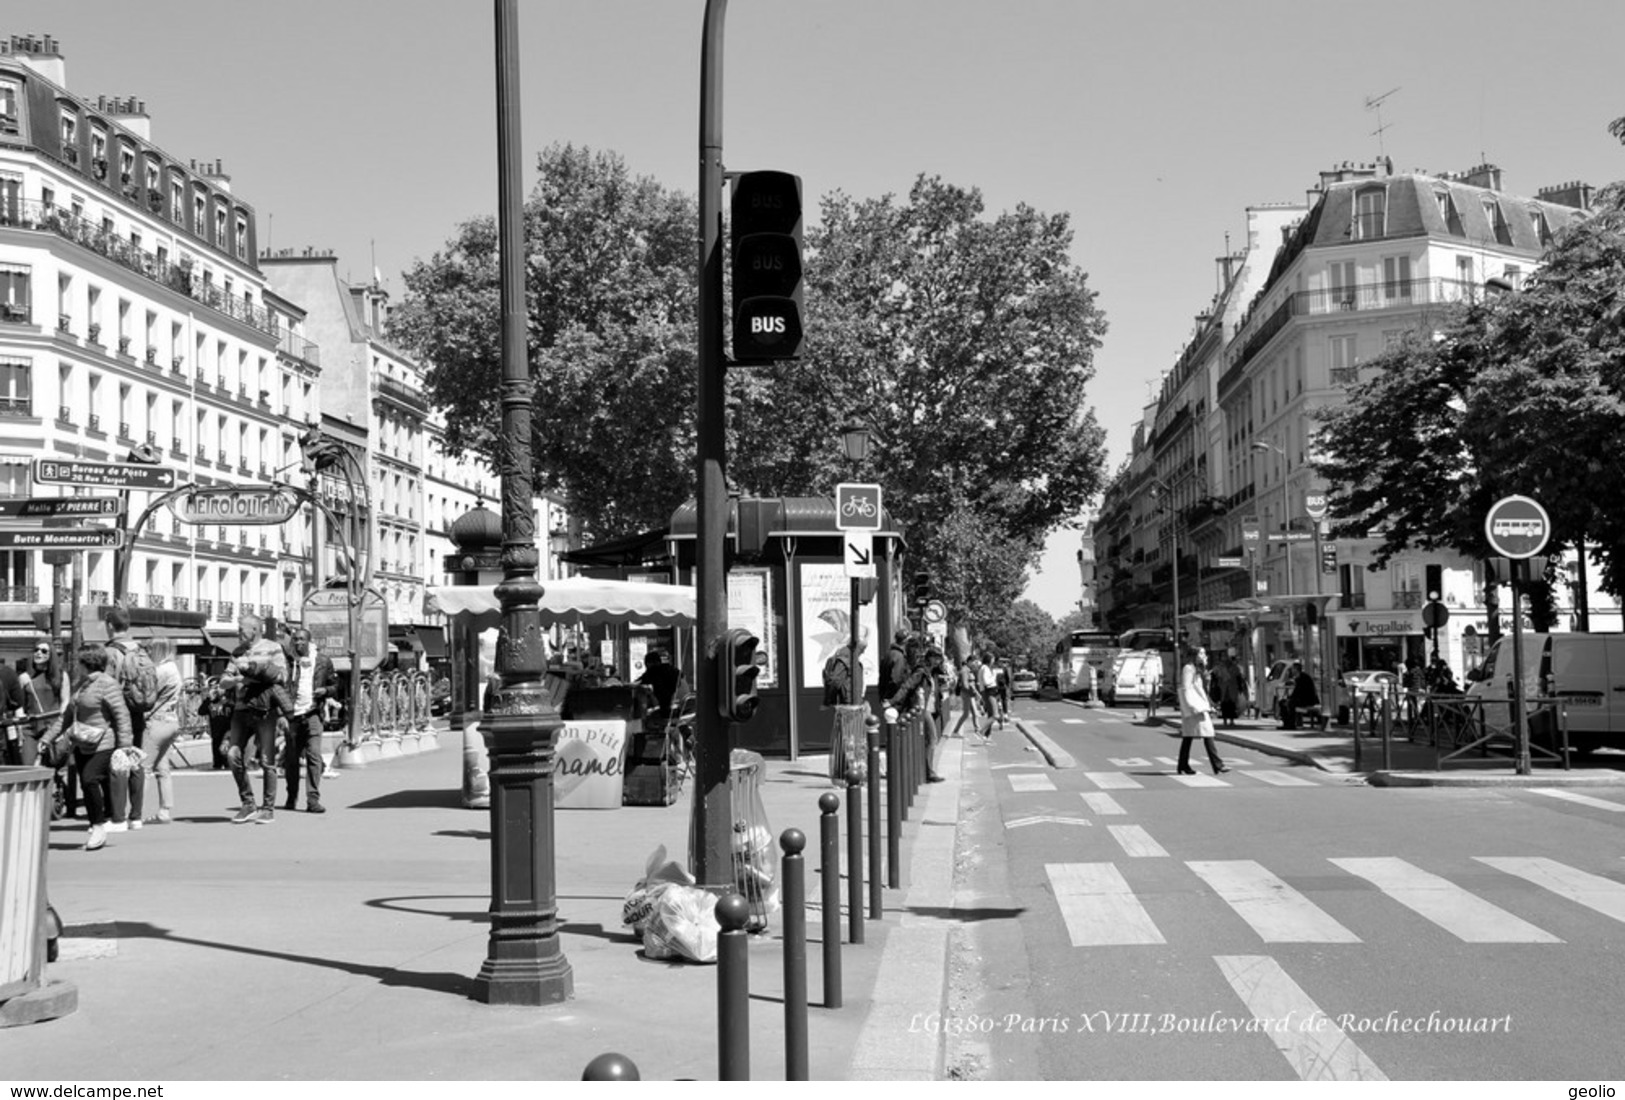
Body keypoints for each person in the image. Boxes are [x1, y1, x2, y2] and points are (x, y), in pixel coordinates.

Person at [40, 644, 132, 851]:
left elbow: (121, 715)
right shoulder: (82, 685)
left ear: (86, 662)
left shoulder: (107, 684)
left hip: (103, 742)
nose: (75, 665)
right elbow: (65, 718)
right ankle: (96, 824)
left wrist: (125, 746)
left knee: (90, 779)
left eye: (78, 661)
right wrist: (47, 738)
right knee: (87, 782)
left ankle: (100, 825)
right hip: (82, 743)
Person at [221, 614, 289, 824]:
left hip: (263, 710)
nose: (238, 632)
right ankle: (248, 803)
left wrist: (251, 674)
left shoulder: (273, 647)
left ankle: (268, 808)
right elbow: (223, 681)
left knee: (267, 759)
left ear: (255, 629)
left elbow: (282, 676)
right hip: (241, 709)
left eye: (241, 628)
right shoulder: (237, 651)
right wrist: (237, 679)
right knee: (233, 755)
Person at [281, 627, 337, 814]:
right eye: (295, 639)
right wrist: (282, 713)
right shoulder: (287, 661)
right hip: (292, 715)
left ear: (309, 641)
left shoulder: (322, 661)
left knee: (313, 755)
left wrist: (326, 691)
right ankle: (291, 796)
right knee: (291, 759)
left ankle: (313, 800)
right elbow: (280, 686)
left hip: (313, 712)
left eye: (302, 639)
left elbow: (336, 685)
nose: (298, 643)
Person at [134, 637, 184, 825]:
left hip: (157, 721)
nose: (147, 652)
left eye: (149, 648)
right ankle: (164, 810)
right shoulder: (173, 668)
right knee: (163, 768)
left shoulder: (161, 670)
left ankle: (135, 812)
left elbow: (146, 692)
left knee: (144, 768)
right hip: (171, 721)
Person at [1176, 644, 1227, 776]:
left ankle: (1183, 765)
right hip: (1194, 708)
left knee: (1189, 736)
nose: (1205, 656)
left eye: (1205, 654)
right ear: (1194, 655)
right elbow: (1186, 688)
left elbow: (1202, 690)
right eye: (1202, 654)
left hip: (1199, 707)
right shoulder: (1188, 668)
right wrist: (1191, 706)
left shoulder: (1197, 669)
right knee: (1207, 733)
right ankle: (1218, 765)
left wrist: (1209, 704)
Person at [13, 637, 61, 768]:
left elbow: (65, 702)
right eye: (36, 650)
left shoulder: (59, 676)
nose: (39, 653)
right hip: (30, 728)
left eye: (44, 651)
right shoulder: (25, 677)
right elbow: (19, 705)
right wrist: (19, 728)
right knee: (27, 766)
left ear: (51, 655)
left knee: (54, 766)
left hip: (53, 727)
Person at [637, 650, 682, 730]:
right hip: (682, 709)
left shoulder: (653, 672)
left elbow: (639, 683)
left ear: (648, 664)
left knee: (645, 718)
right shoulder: (673, 670)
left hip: (668, 711)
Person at [1210, 654, 1247, 729]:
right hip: (1225, 689)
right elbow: (1214, 675)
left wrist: (1240, 687)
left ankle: (1230, 720)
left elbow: (1239, 678)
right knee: (1225, 706)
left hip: (1231, 690)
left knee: (1231, 705)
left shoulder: (1234, 668)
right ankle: (1226, 721)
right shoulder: (1222, 668)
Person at [1286, 661, 1321, 729]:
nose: (1292, 670)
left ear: (1296, 669)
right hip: (1306, 699)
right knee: (1288, 702)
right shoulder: (1301, 677)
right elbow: (1297, 692)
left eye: (1293, 669)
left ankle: (1291, 724)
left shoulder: (1303, 678)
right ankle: (1289, 723)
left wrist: (1290, 698)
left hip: (1308, 700)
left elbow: (1298, 691)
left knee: (1290, 704)